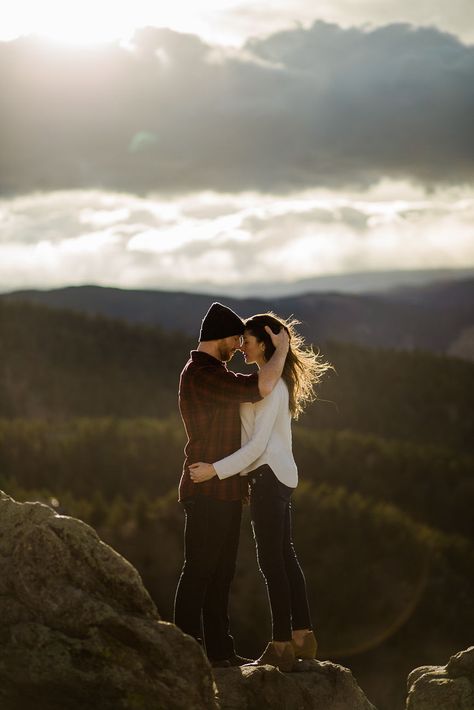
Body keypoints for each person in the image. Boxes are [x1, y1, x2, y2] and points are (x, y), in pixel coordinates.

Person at [189, 313, 331, 671]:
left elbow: (256, 448)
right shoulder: (269, 382)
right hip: (274, 478)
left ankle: (281, 644)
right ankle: (302, 636)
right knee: (286, 557)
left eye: (247, 342)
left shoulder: (271, 388)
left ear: (264, 343)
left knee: (272, 562)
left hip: (268, 476)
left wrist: (214, 470)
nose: (241, 347)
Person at [174, 302, 289, 668]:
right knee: (199, 571)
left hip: (223, 488)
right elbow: (262, 386)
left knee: (220, 574)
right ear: (219, 339)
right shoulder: (203, 374)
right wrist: (282, 348)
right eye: (236, 339)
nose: (240, 346)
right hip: (207, 487)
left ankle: (220, 653)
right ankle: (185, 653)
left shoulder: (213, 372)